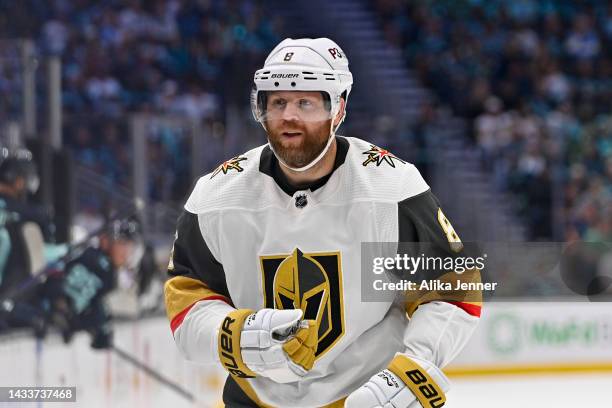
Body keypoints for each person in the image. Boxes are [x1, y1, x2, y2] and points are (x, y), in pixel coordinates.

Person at [164, 38, 481, 407]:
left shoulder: (391, 189)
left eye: (306, 102)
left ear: (338, 109)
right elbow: (187, 299)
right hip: (254, 397)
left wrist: (413, 369)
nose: (289, 116)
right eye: (278, 102)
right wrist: (234, 334)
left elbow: (454, 286)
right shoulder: (217, 196)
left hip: (365, 396)